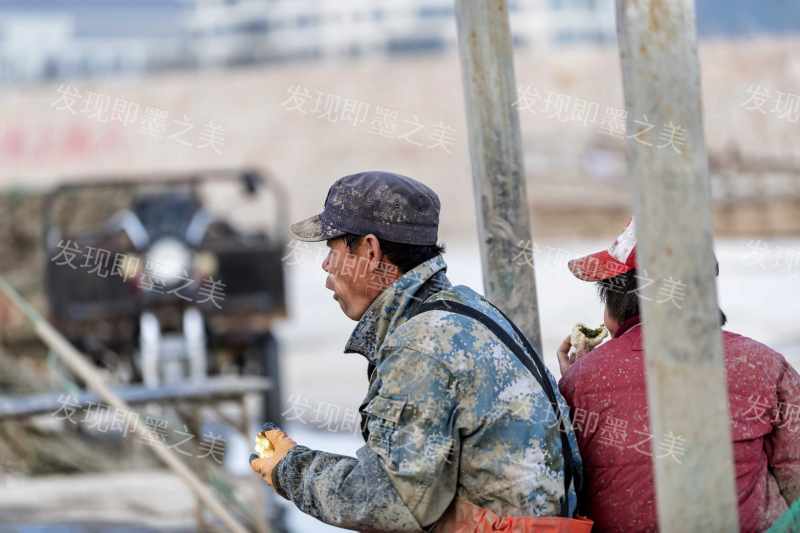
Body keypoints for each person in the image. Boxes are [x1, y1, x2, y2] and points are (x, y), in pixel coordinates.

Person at [249, 170, 588, 532]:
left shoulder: (422, 345)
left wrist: (289, 467)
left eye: (332, 249)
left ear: (369, 251)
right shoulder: (464, 309)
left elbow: (390, 503)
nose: (326, 265)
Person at [557, 218, 800, 532]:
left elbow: (565, 485)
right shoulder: (764, 365)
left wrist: (572, 385)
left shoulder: (581, 381)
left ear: (617, 305)